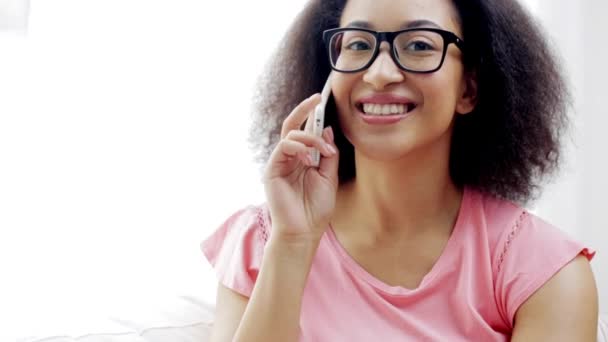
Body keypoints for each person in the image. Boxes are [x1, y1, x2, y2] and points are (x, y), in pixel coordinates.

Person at [201, 0, 599, 340]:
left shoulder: (542, 271)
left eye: (419, 45)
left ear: (469, 89)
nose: (379, 73)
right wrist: (293, 242)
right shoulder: (263, 242)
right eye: (357, 44)